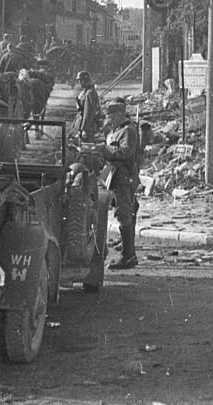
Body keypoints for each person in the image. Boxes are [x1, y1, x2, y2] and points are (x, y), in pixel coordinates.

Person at [84, 100, 141, 287]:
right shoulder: (115, 130)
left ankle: (128, 256)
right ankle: (126, 248)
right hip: (114, 175)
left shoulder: (128, 131)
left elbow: (125, 152)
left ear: (117, 115)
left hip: (124, 177)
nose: (108, 120)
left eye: (110, 117)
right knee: (122, 210)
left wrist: (104, 149)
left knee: (124, 213)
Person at [74, 71, 101, 142]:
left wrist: (84, 130)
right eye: (78, 81)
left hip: (87, 127)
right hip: (83, 125)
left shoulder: (90, 93)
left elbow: (88, 113)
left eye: (80, 80)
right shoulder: (86, 92)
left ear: (85, 80)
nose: (79, 83)